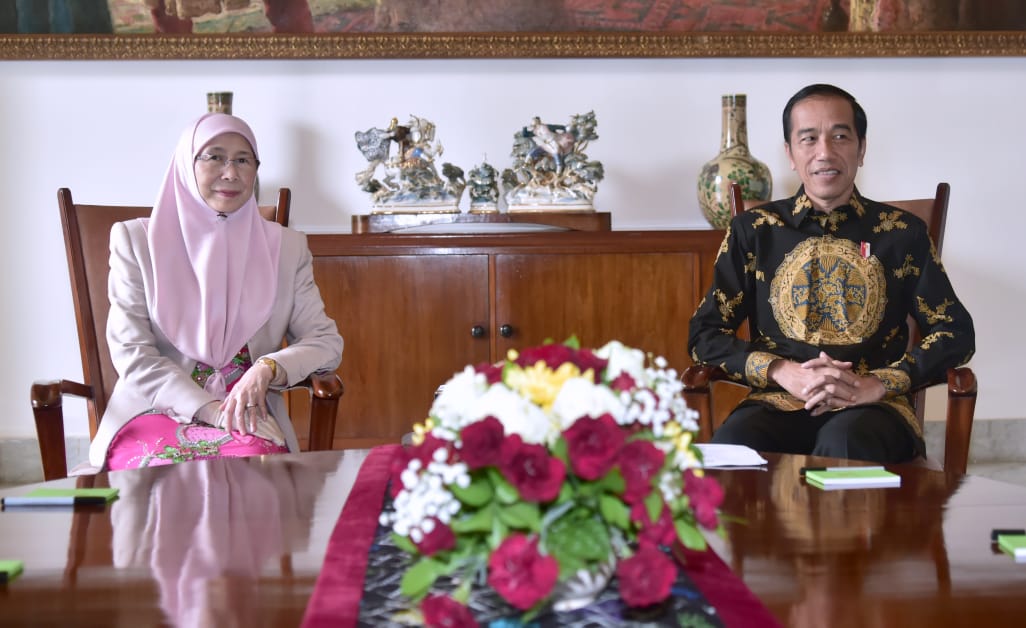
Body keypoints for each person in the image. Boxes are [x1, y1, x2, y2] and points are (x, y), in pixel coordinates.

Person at [687, 83, 975, 464]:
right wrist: (780, 371)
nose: (825, 152)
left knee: (846, 444)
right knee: (732, 451)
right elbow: (705, 334)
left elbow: (955, 332)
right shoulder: (755, 231)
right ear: (790, 153)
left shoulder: (902, 234)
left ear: (862, 148)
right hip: (776, 401)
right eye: (808, 139)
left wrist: (879, 384)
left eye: (840, 136)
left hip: (873, 408)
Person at [88, 112, 343, 471]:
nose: (231, 173)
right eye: (215, 157)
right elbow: (132, 353)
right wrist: (210, 411)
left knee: (249, 468)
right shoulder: (136, 242)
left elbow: (325, 342)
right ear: (185, 164)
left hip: (247, 418)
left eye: (243, 160)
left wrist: (267, 368)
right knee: (167, 472)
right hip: (153, 411)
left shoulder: (285, 247)